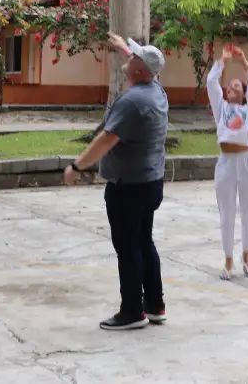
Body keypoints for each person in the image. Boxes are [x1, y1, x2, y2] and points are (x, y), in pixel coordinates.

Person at [63, 32, 169, 331]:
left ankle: (133, 310)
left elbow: (107, 138)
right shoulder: (157, 92)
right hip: (151, 183)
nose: (129, 56)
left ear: (138, 69)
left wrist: (77, 166)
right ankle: (155, 304)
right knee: (144, 242)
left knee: (128, 248)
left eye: (132, 55)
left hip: (128, 187)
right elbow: (144, 67)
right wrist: (125, 49)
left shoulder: (132, 101)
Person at [206, 43, 248, 280]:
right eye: (229, 85)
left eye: (237, 85)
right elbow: (211, 83)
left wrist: (243, 62)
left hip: (247, 161)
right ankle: (228, 260)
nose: (231, 87)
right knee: (227, 213)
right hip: (226, 162)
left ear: (244, 92)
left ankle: (246, 254)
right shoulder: (221, 109)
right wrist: (224, 61)